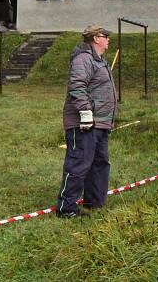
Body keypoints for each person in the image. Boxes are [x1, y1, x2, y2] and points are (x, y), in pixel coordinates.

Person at [56, 25, 117, 218]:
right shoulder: (83, 59)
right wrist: (85, 112)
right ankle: (66, 209)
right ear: (96, 38)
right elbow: (77, 86)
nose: (108, 39)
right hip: (84, 123)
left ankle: (95, 202)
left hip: (100, 123)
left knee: (99, 163)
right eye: (105, 36)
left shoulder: (100, 61)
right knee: (79, 163)